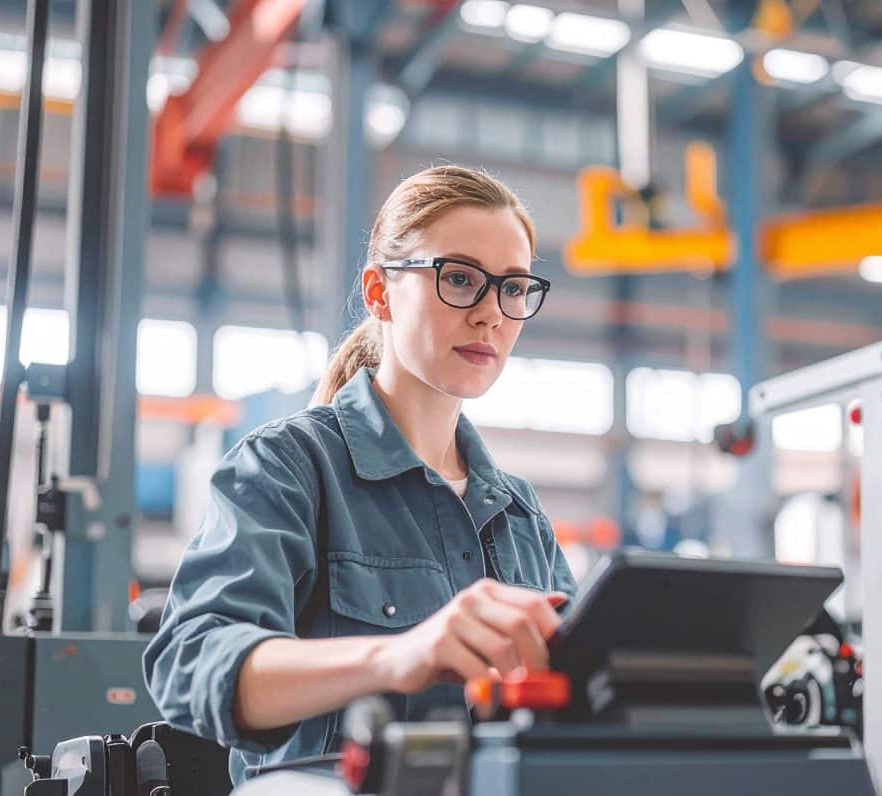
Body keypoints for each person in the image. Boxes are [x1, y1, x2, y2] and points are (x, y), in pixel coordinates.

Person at [143, 165, 577, 785]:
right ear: (379, 293)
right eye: (458, 278)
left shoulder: (518, 512)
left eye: (512, 288)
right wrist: (396, 657)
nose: (491, 315)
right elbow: (192, 666)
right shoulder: (290, 468)